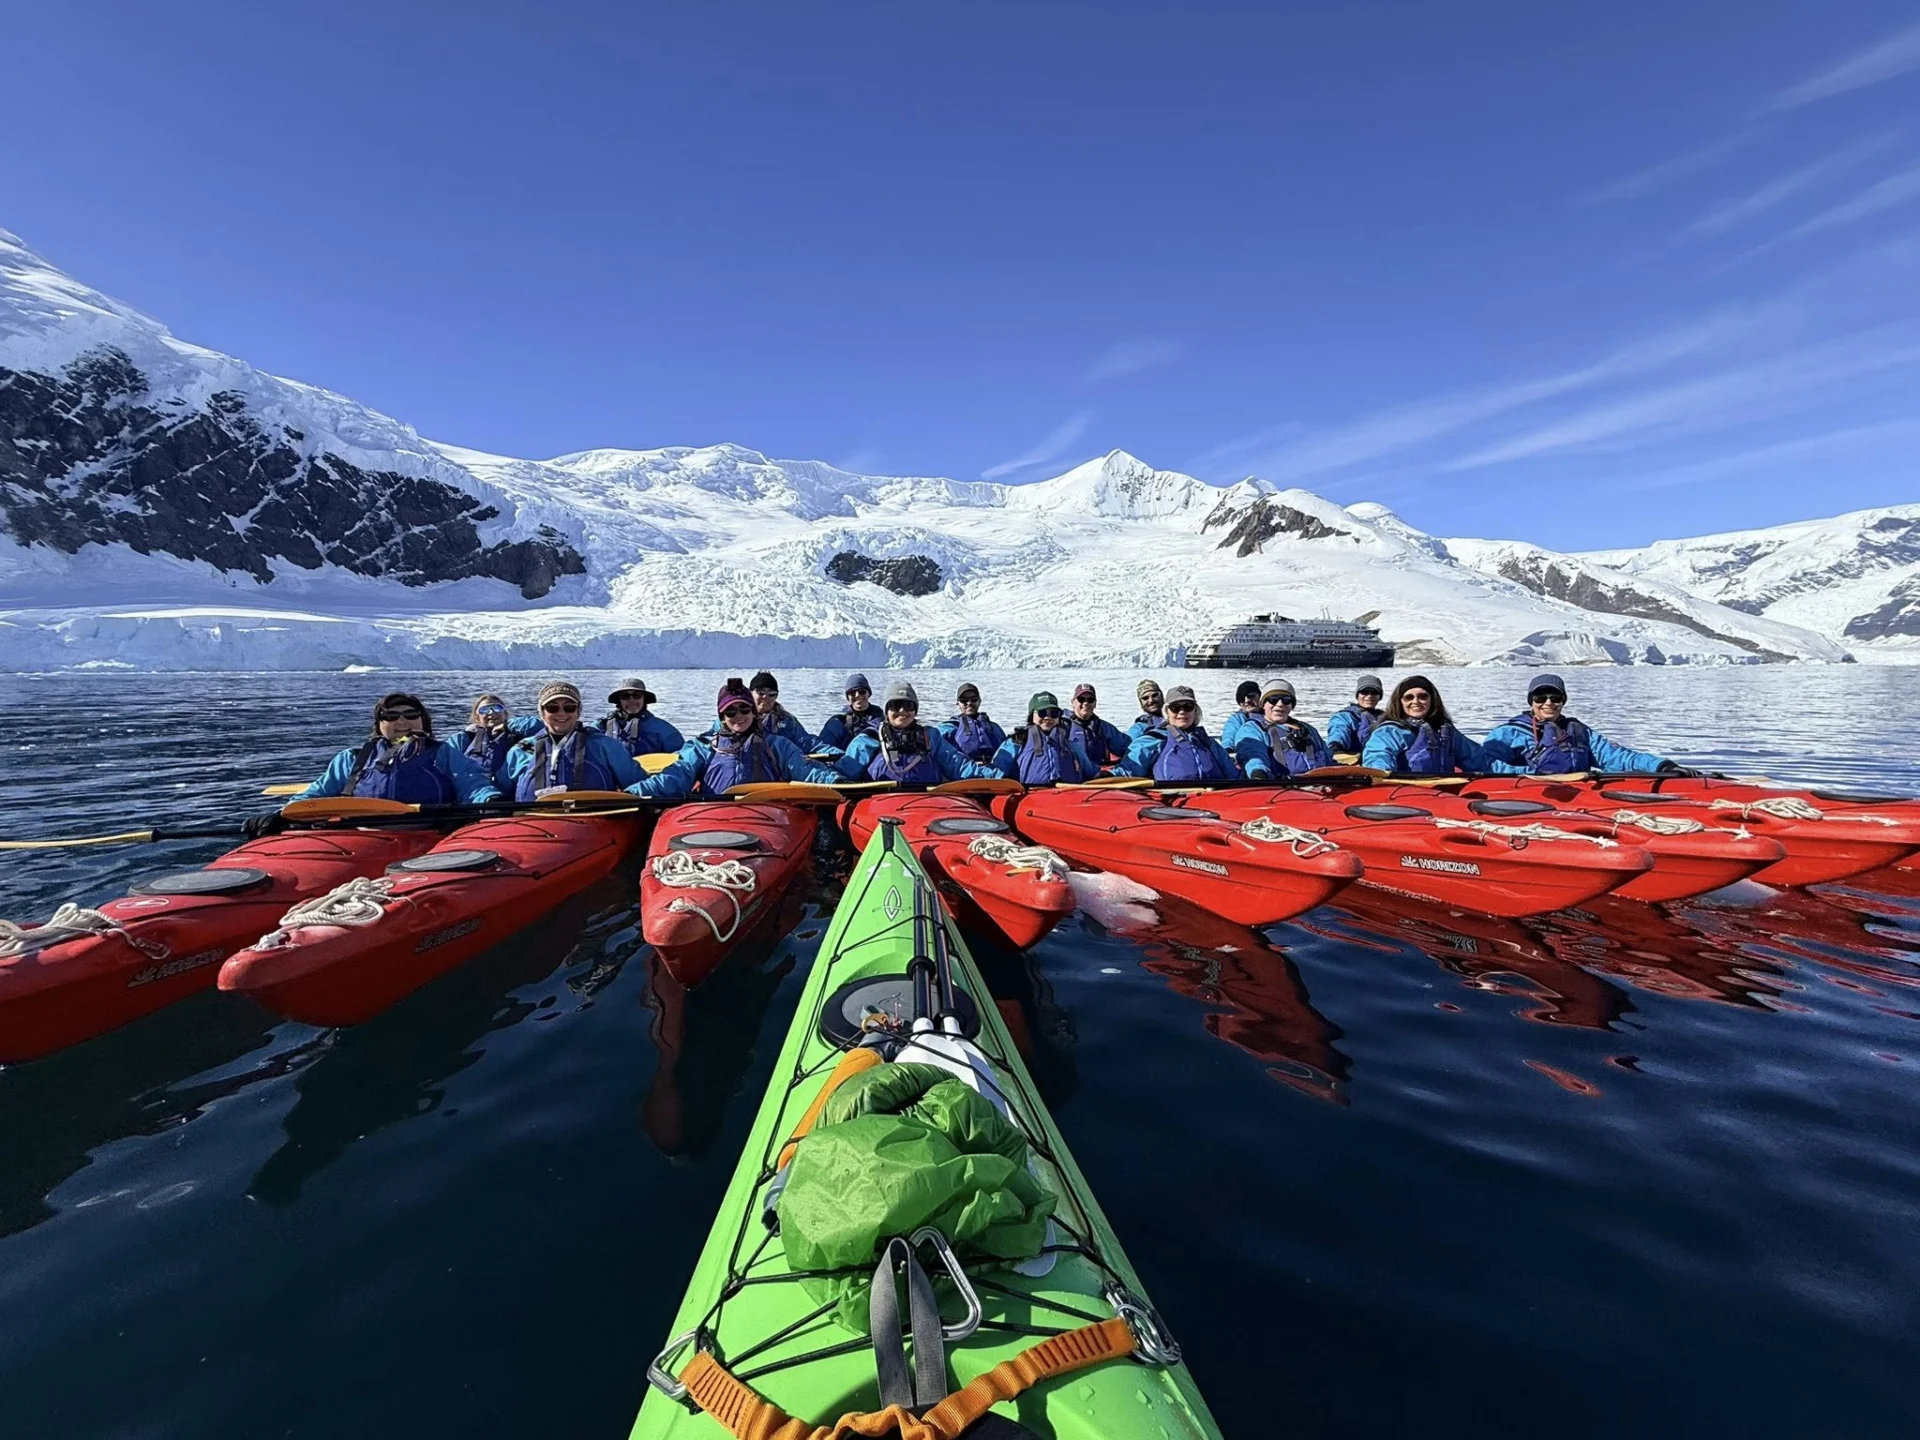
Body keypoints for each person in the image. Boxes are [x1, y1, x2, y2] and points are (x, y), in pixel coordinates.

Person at [631, 678, 846, 799]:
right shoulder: (704, 746)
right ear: (722, 717)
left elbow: (806, 769)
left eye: (744, 709)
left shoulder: (777, 744)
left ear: (753, 713)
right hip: (714, 812)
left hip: (766, 812)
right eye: (730, 712)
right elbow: (676, 775)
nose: (739, 717)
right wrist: (636, 792)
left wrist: (837, 781)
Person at [301, 692, 502, 804]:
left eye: (411, 714)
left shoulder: (443, 753)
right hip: (364, 832)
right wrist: (287, 811)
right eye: (391, 716)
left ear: (423, 720)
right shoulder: (353, 758)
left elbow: (473, 784)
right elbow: (316, 794)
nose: (402, 721)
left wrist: (490, 800)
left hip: (429, 831)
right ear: (379, 724)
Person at [1480, 673, 1679, 775]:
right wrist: (1534, 775)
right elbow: (1488, 767)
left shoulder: (1579, 731)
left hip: (1580, 795)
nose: (1548, 703)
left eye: (1555, 698)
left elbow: (1615, 757)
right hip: (1530, 797)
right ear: (1531, 702)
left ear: (1563, 701)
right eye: (1540, 698)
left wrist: (1660, 765)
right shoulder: (1508, 733)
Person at [502, 680, 646, 800]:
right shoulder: (520, 751)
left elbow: (638, 783)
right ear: (542, 713)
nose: (561, 713)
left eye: (569, 707)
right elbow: (501, 793)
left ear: (578, 712)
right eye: (552, 708)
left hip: (595, 825)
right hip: (534, 825)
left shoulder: (605, 746)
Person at [838, 681, 1002, 785]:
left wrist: (996, 776)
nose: (902, 711)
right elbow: (843, 774)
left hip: (925, 802)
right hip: (882, 802)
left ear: (915, 711)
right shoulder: (869, 739)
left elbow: (957, 765)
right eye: (895, 706)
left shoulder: (930, 736)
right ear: (886, 711)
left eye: (909, 706)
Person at [1361, 675, 1521, 776]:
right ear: (1400, 702)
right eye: (1408, 697)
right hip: (1404, 793)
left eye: (1422, 696)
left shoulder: (1446, 731)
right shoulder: (1390, 731)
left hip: (1443, 795)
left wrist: (1530, 773)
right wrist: (1382, 773)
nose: (1415, 702)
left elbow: (1483, 763)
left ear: (1432, 700)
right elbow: (1377, 757)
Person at [1115, 685, 1241, 782]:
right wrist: (1109, 775)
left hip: (1214, 796)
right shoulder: (1153, 739)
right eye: (1175, 708)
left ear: (1195, 712)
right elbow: (1130, 768)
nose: (1182, 712)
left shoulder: (1208, 743)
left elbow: (1233, 774)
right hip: (1173, 800)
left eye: (1188, 707)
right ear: (1167, 712)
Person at [992, 691, 1100, 785]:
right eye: (1042, 713)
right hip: (1029, 796)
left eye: (1053, 713)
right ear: (1032, 715)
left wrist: (1108, 774)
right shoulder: (1016, 742)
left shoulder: (1070, 744)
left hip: (1066, 795)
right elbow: (996, 772)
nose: (1048, 718)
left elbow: (1091, 771)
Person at [1233, 679, 1333, 778]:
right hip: (1280, 786)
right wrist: (1258, 773)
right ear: (1263, 704)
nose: (1280, 704)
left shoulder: (1308, 729)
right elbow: (1252, 754)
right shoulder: (1252, 729)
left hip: (1319, 785)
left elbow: (1328, 758)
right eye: (1273, 700)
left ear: (1291, 706)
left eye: (1286, 700)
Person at [599, 678, 683, 757]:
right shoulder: (602, 725)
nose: (631, 700)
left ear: (644, 699)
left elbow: (681, 759)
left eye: (637, 695)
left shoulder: (663, 729)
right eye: (625, 696)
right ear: (619, 701)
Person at [458, 693, 526, 783]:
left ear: (505, 714)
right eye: (484, 710)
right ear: (477, 717)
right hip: (474, 789)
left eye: (497, 708)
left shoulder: (519, 735)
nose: (491, 712)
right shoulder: (466, 737)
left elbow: (539, 726)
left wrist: (507, 726)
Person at [1065, 683, 1130, 767]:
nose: (1086, 703)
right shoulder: (1063, 726)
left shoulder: (1104, 728)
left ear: (1095, 704)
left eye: (1090, 700)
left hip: (1097, 775)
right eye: (1081, 699)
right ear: (1073, 702)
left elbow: (1127, 747)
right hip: (1072, 774)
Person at [940, 682, 1006, 762]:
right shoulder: (950, 727)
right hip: (963, 772)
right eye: (964, 700)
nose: (969, 703)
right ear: (958, 704)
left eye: (974, 699)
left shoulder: (995, 728)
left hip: (994, 771)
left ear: (979, 701)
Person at [817, 673, 881, 752]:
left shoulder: (881, 719)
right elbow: (824, 746)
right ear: (848, 697)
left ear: (869, 694)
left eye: (862, 692)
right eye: (852, 693)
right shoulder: (838, 722)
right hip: (845, 760)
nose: (857, 695)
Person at [1326, 675, 1386, 755]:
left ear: (1379, 697)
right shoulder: (1345, 716)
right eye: (1364, 692)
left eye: (1374, 693)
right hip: (1353, 760)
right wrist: (1336, 746)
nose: (1369, 696)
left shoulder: (1386, 717)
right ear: (1357, 696)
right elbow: (1339, 729)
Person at [1221, 680, 1265, 751]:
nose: (1247, 701)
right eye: (1242, 700)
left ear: (1259, 696)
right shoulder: (1237, 719)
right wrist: (1228, 749)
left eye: (1250, 696)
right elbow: (1229, 736)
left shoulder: (1271, 715)